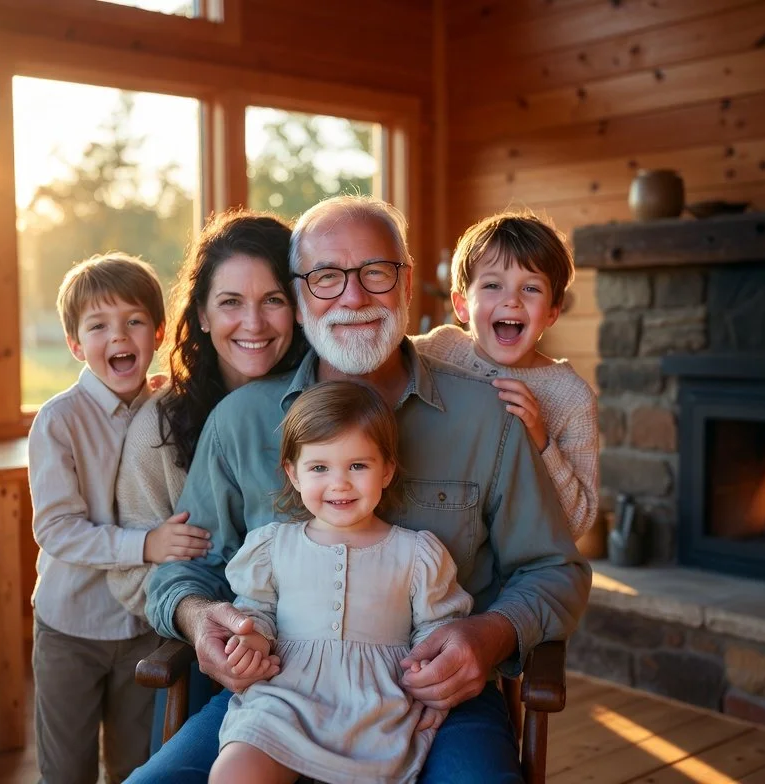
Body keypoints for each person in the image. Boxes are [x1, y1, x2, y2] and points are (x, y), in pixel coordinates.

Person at [128, 195, 592, 784]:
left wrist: (490, 634)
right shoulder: (241, 421)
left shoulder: (488, 417)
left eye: (376, 272)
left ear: (405, 284)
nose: (354, 297)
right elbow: (182, 572)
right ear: (299, 298)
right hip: (275, 697)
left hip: (441, 703)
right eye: (326, 277)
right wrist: (199, 618)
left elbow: (556, 570)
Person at [209, 380, 474, 784]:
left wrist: (431, 671)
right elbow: (256, 611)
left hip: (375, 708)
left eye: (358, 466)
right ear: (293, 473)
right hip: (283, 699)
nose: (339, 483)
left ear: (386, 470)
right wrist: (252, 641)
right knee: (235, 772)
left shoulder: (416, 553)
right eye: (319, 467)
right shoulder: (274, 546)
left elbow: (436, 628)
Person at [110, 209, 307, 619]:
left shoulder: (326, 406)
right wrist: (216, 619)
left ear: (299, 309)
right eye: (230, 302)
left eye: (273, 300)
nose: (253, 324)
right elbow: (130, 578)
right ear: (202, 314)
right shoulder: (158, 428)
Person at [27, 251, 170, 784]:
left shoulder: (167, 409)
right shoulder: (58, 421)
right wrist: (145, 545)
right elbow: (56, 529)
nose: (119, 336)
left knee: (136, 766)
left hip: (139, 627)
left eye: (134, 320)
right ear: (74, 344)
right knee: (66, 769)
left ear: (157, 333)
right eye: (98, 325)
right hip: (71, 627)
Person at [414, 211, 599, 538]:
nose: (511, 300)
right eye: (492, 285)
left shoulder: (572, 398)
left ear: (553, 311)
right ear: (461, 306)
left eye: (530, 288)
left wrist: (541, 441)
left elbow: (577, 522)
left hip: (511, 554)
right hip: (427, 534)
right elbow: (382, 361)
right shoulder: (438, 351)